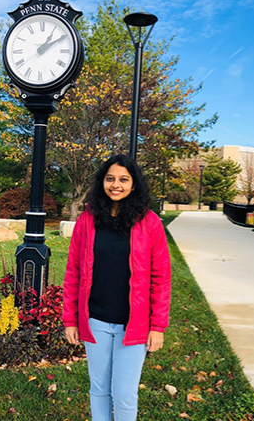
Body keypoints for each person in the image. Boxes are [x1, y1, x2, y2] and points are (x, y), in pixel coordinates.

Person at [62, 154, 171, 421]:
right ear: (102, 182)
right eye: (110, 179)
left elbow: (161, 278)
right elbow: (73, 272)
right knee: (99, 389)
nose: (116, 185)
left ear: (134, 185)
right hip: (96, 319)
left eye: (123, 179)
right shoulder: (87, 220)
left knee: (124, 393)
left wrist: (157, 326)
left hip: (133, 324)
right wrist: (70, 320)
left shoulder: (149, 222)